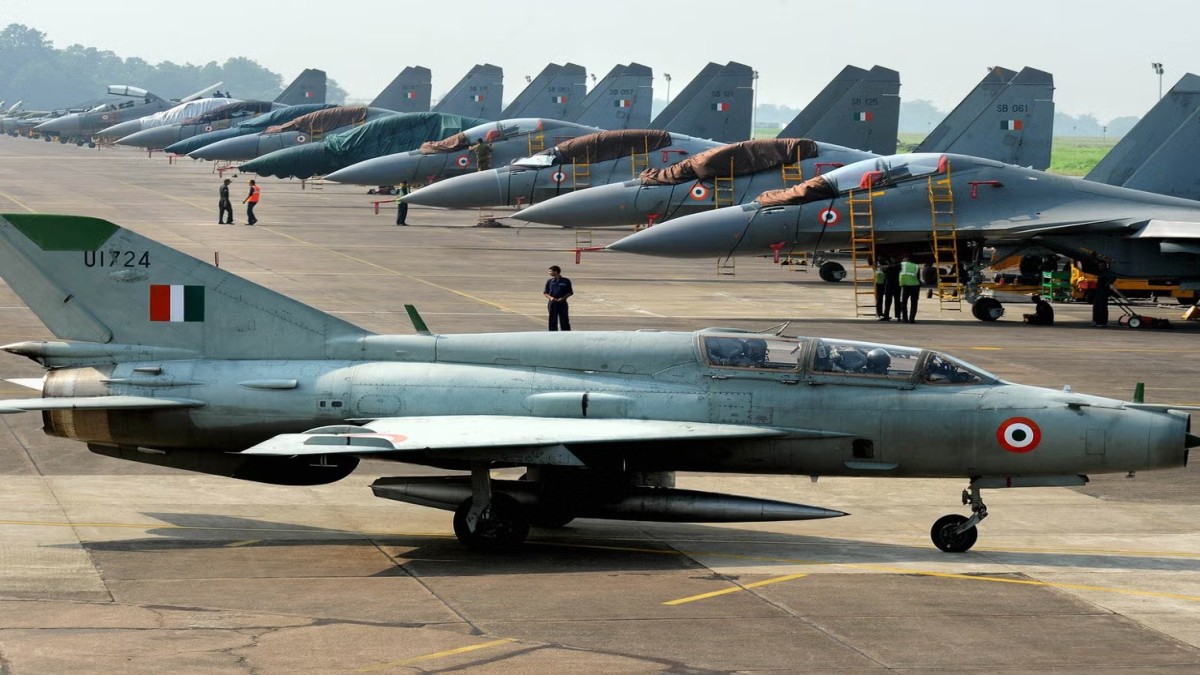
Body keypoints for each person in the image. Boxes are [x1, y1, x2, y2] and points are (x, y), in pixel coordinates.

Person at [544, 265, 573, 331]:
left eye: (550, 271)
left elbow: (570, 292)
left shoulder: (566, 281)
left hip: (562, 303)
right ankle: (553, 333)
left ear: (556, 272)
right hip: (552, 303)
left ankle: (566, 333)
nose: (549, 273)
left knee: (564, 319)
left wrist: (562, 298)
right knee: (552, 319)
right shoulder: (550, 281)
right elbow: (545, 292)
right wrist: (551, 298)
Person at [1092, 260, 1115, 327]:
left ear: (1105, 266)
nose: (1100, 267)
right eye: (1099, 266)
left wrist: (1108, 284)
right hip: (1098, 291)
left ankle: (1102, 322)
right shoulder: (1100, 272)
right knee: (1096, 306)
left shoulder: (1107, 272)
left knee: (1102, 306)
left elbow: (1113, 277)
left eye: (1102, 266)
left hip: (1103, 291)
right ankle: (1096, 321)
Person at [898, 255, 920, 323]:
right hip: (915, 286)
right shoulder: (916, 266)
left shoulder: (903, 264)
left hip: (906, 286)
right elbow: (918, 277)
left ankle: (905, 318)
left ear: (906, 259)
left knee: (903, 303)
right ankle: (912, 319)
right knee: (914, 303)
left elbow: (892, 266)